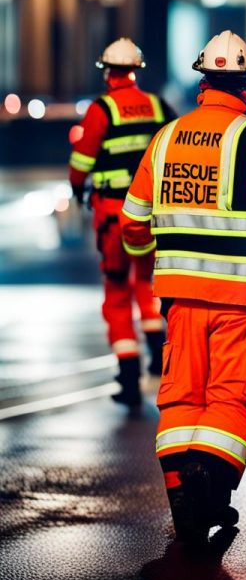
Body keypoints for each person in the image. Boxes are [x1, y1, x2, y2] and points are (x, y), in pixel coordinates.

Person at [120, 30, 246, 545]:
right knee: (233, 398)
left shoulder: (166, 138)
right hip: (240, 303)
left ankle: (182, 496)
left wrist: (150, 255)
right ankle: (210, 490)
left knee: (181, 397)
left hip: (181, 301)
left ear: (203, 79)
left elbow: (133, 224)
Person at [69, 38, 176, 407]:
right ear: (136, 71)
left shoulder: (102, 110)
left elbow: (82, 162)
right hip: (151, 216)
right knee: (149, 284)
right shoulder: (159, 106)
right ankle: (159, 357)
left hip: (113, 217)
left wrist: (77, 189)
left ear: (108, 72)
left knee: (117, 292)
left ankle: (128, 376)